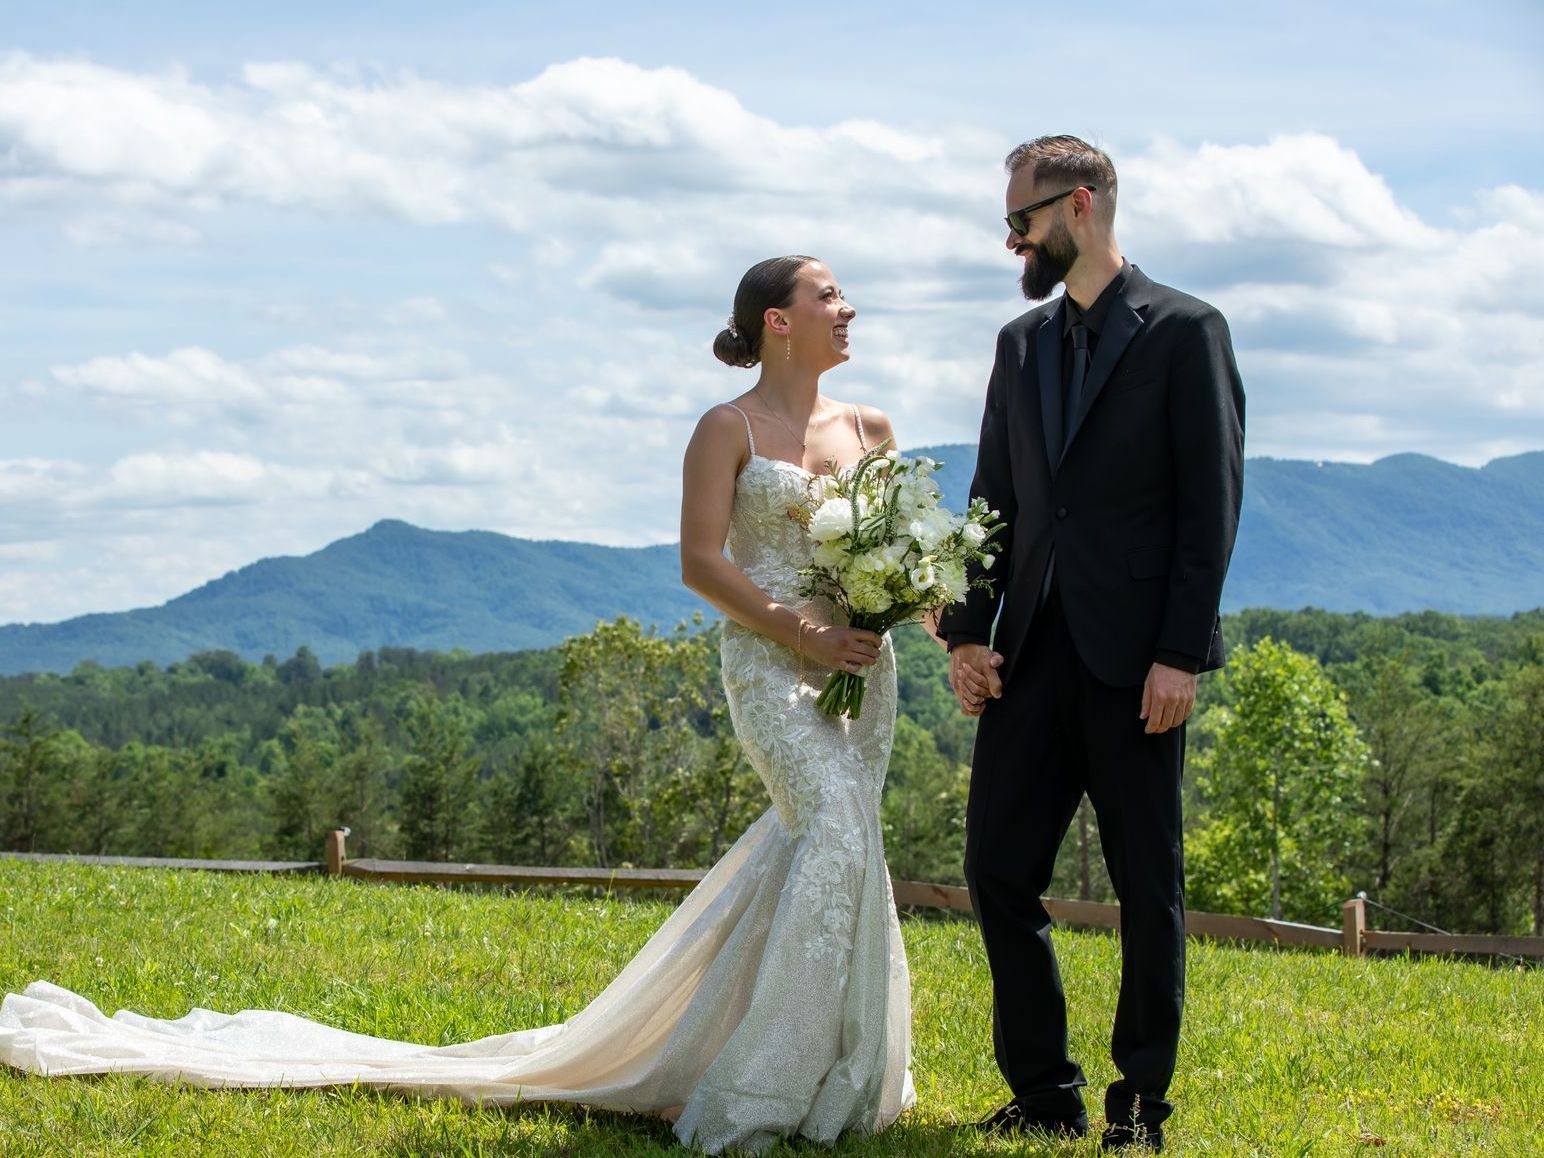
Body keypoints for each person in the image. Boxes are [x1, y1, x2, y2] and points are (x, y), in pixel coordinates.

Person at [0, 255, 915, 1154]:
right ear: (777, 322)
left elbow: (906, 555)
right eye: (828, 294)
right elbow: (701, 564)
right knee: (830, 829)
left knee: (837, 844)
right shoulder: (727, 426)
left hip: (863, 668)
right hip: (771, 664)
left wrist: (932, 620)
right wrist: (801, 635)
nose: (850, 308)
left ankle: (842, 1065)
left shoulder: (871, 426)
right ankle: (764, 1085)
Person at [938, 136, 1245, 1153]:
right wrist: (964, 634)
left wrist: (1181, 653)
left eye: (1020, 222)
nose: (1012, 241)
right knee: (995, 869)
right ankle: (1044, 1091)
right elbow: (992, 498)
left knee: (1144, 887)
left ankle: (1139, 1102)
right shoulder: (1017, 345)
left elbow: (1209, 507)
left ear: (1078, 207)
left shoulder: (1185, 331)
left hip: (1135, 665)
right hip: (1027, 655)